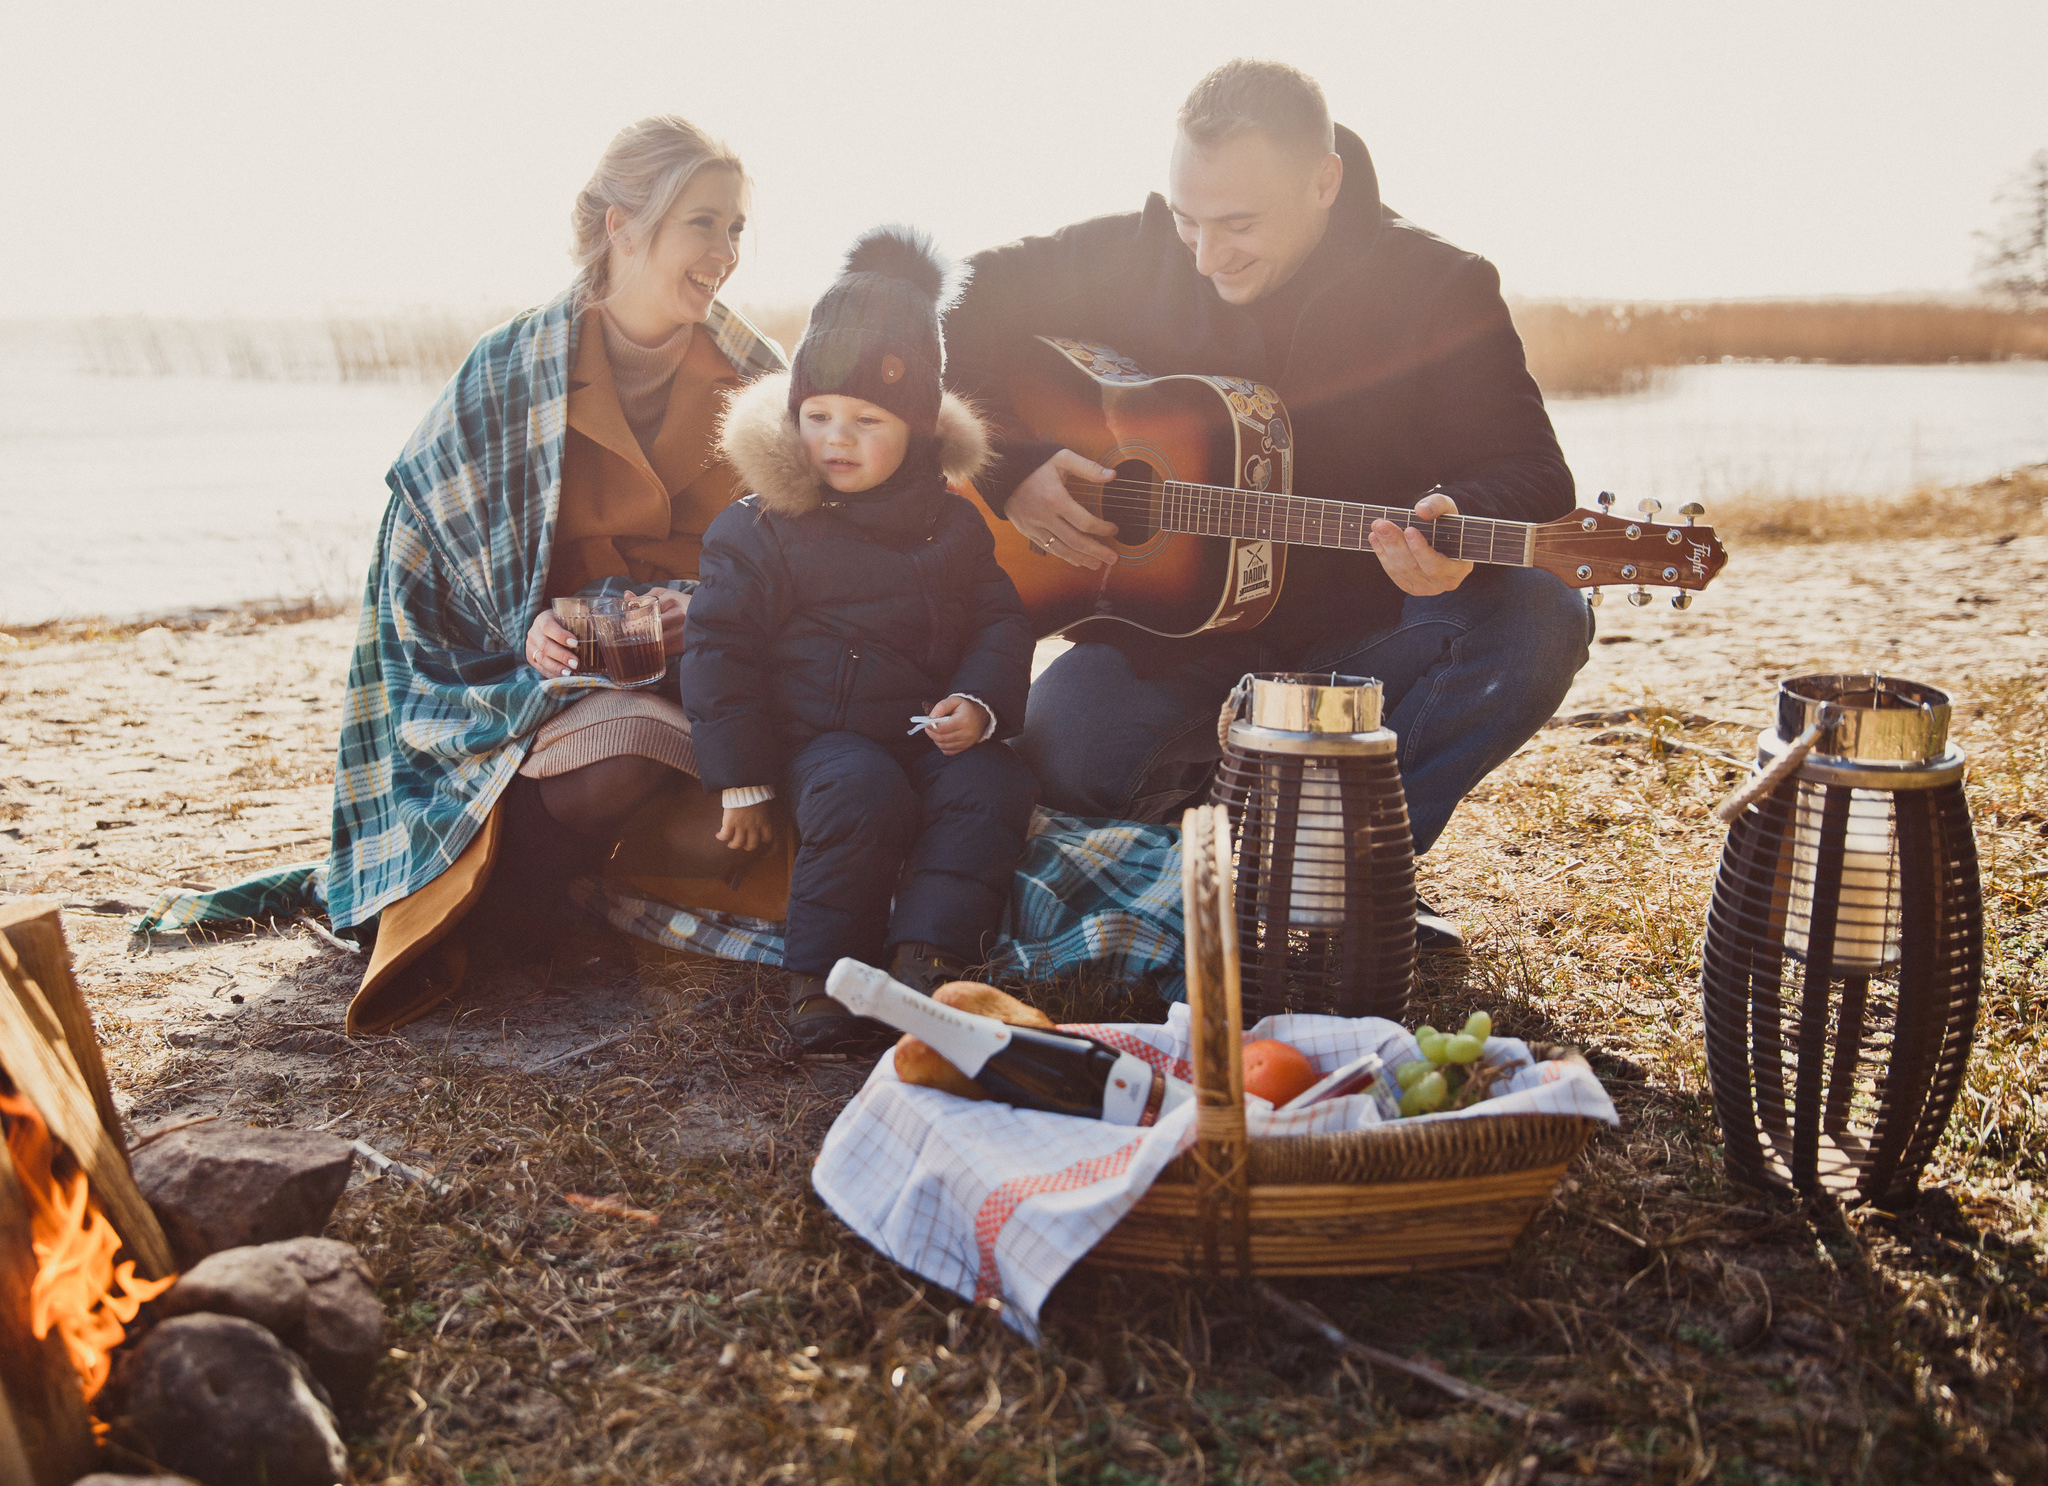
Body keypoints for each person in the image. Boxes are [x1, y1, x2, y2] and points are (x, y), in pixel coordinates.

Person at [142, 115, 790, 1030]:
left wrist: (710, 613)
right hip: (541, 684)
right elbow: (428, 561)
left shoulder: (758, 382)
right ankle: (504, 904)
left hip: (711, 669)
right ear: (622, 225)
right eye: (703, 222)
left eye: (735, 228)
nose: (726, 250)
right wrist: (516, 625)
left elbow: (802, 557)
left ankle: (575, 894)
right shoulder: (510, 369)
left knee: (764, 755)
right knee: (623, 753)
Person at [942, 60, 1591, 943]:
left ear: (1323, 181)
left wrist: (1454, 515)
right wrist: (1010, 466)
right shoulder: (1141, 252)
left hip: (1359, 646)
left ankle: (1351, 869)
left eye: (1239, 225)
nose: (1206, 256)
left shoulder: (1439, 288)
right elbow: (959, 294)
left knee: (1542, 615)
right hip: (1167, 641)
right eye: (1187, 220)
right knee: (1062, 751)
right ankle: (1236, 836)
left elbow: (1533, 474)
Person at [684, 228, 1038, 1050]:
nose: (835, 438)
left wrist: (979, 706)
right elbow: (718, 649)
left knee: (992, 786)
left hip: (923, 726)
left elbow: (999, 618)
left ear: (918, 427)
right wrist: (742, 780)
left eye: (865, 418)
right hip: (821, 736)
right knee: (860, 793)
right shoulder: (764, 526)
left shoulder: (950, 524)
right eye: (817, 415)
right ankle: (824, 980)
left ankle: (929, 963)